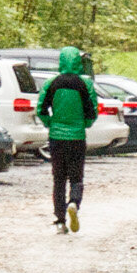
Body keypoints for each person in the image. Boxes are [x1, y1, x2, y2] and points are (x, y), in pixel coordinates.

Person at [39, 46, 99, 233]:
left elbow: (40, 109)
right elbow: (92, 111)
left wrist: (51, 123)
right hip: (77, 137)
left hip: (57, 137)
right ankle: (73, 202)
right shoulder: (85, 84)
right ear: (78, 62)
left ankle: (60, 221)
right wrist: (85, 124)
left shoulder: (51, 83)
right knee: (76, 177)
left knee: (58, 180)